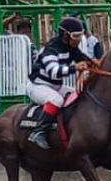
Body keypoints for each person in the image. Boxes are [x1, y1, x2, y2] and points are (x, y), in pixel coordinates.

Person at [26, 16, 95, 149]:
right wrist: (74, 68)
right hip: (38, 86)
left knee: (79, 94)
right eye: (76, 35)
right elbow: (54, 72)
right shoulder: (51, 49)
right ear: (65, 35)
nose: (80, 39)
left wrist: (97, 64)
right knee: (56, 100)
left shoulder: (71, 48)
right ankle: (38, 131)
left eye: (81, 35)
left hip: (55, 86)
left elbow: (86, 60)